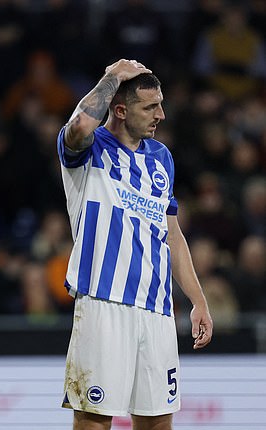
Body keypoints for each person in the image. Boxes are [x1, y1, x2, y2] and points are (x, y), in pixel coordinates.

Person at [56, 59, 213, 429]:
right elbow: (79, 125)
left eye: (161, 103)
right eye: (151, 106)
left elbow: (172, 234)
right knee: (94, 418)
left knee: (158, 419)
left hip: (157, 310)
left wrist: (198, 300)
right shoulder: (89, 150)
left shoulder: (161, 158)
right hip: (102, 302)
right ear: (121, 109)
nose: (161, 114)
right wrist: (112, 77)